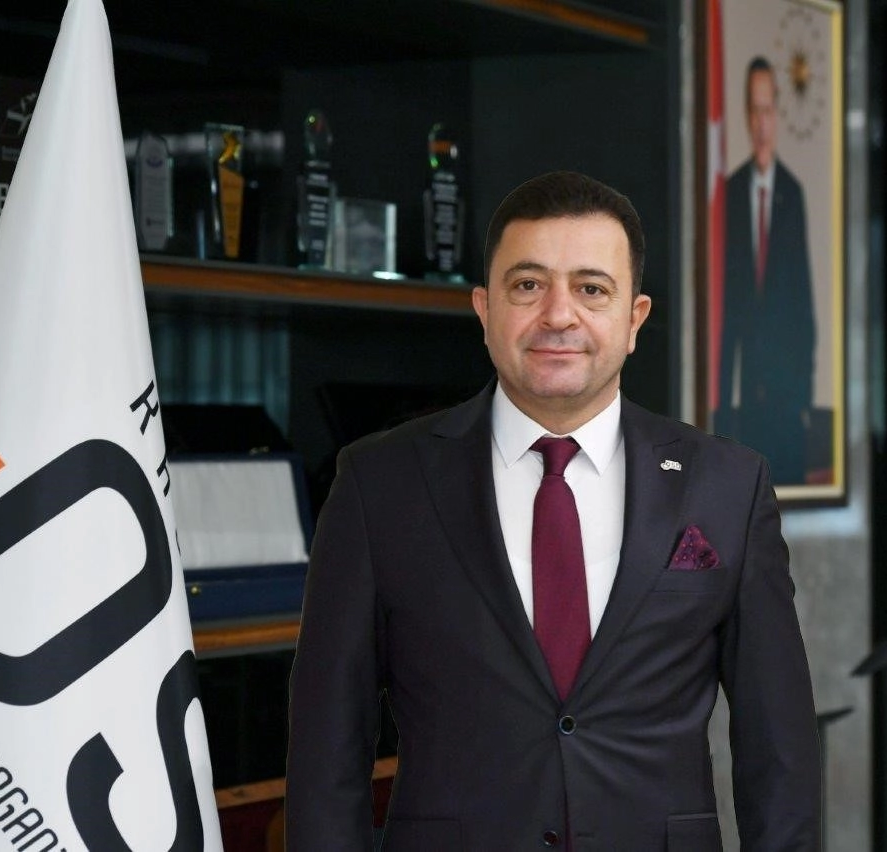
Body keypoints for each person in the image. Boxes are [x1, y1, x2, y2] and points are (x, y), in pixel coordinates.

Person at [286, 170, 820, 850]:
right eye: (528, 286)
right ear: (485, 309)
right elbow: (327, 751)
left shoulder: (728, 487)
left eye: (592, 289)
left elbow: (780, 749)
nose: (559, 315)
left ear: (635, 318)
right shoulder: (378, 483)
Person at [714, 56, 817, 486]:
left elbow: (803, 302)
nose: (761, 122)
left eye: (768, 110)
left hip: (787, 394)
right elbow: (725, 306)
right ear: (746, 115)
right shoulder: (731, 192)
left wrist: (805, 396)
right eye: (754, 111)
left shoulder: (792, 193)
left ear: (777, 113)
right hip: (746, 393)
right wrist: (722, 402)